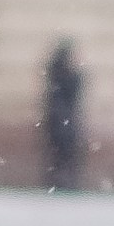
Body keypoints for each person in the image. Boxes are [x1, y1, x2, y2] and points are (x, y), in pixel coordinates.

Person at [40, 39, 85, 193]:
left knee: (58, 157)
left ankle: (59, 183)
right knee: (64, 157)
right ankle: (63, 183)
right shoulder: (64, 75)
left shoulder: (55, 73)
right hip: (63, 122)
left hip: (58, 122)